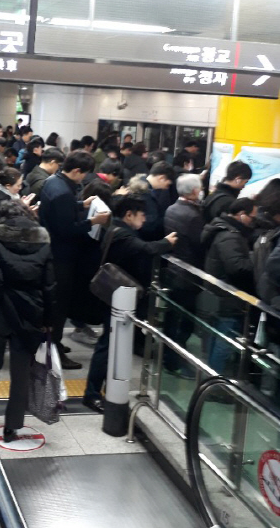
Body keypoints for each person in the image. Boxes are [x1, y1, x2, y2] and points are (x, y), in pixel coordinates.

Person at [84, 196, 176, 412]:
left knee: (111, 344)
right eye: (142, 214)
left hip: (117, 295)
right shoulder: (122, 234)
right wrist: (166, 243)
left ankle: (101, 389)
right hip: (115, 298)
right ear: (129, 214)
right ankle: (92, 393)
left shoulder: (116, 229)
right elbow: (145, 249)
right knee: (107, 345)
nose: (144, 219)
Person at [0, 200, 55, 443]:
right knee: (21, 370)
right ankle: (12, 426)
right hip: (30, 310)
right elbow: (49, 284)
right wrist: (48, 318)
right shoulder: (42, 239)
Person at [39, 151, 110, 367]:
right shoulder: (63, 192)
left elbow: (59, 212)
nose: (83, 179)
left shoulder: (53, 182)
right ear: (77, 171)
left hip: (52, 252)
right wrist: (93, 221)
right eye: (84, 174)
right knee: (59, 307)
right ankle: (54, 351)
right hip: (61, 256)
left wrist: (81, 205)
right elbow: (67, 229)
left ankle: (55, 345)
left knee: (56, 305)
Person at [201, 198, 257, 373]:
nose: (254, 221)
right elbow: (237, 268)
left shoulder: (222, 228)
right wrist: (257, 258)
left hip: (216, 293)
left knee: (214, 338)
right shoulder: (230, 236)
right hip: (227, 297)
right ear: (241, 215)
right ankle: (215, 383)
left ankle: (209, 377)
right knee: (223, 343)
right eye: (252, 217)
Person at [163, 174, 205, 376]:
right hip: (188, 274)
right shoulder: (194, 216)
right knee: (184, 321)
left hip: (172, 269)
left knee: (172, 317)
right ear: (194, 191)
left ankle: (168, 358)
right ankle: (176, 361)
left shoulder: (171, 208)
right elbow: (199, 245)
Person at [136, 161, 175, 241]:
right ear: (161, 178)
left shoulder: (138, 185)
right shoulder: (145, 194)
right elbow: (149, 225)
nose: (167, 188)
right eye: (168, 184)